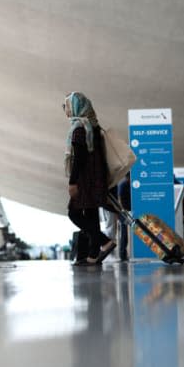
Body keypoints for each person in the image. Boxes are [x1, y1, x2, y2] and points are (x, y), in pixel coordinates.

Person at [64, 92, 116, 266]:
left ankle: (104, 241)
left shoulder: (79, 129)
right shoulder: (93, 126)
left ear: (77, 107)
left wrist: (72, 182)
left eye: (68, 107)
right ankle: (93, 256)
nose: (66, 111)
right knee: (91, 214)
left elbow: (78, 158)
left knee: (74, 213)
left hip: (85, 180)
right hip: (96, 177)